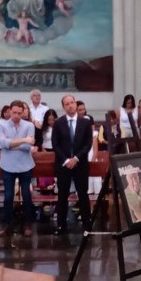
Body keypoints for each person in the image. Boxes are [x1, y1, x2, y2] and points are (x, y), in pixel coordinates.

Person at [51, 94, 93, 234]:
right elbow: (55, 144)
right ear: (63, 107)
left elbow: (88, 144)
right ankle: (61, 225)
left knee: (83, 194)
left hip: (80, 164)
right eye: (67, 104)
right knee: (62, 195)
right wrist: (66, 160)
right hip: (64, 164)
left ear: (76, 104)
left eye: (72, 102)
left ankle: (87, 225)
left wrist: (76, 158)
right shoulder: (58, 123)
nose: (70, 106)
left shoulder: (85, 122)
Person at [0, 100, 37, 237]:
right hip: (7, 165)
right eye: (14, 112)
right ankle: (6, 224)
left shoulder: (29, 125)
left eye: (20, 113)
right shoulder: (1, 124)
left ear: (23, 112)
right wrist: (23, 140)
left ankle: (27, 224)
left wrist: (12, 144)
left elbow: (28, 147)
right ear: (10, 111)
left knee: (26, 195)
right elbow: (3, 143)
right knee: (8, 196)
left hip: (25, 165)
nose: (17, 116)